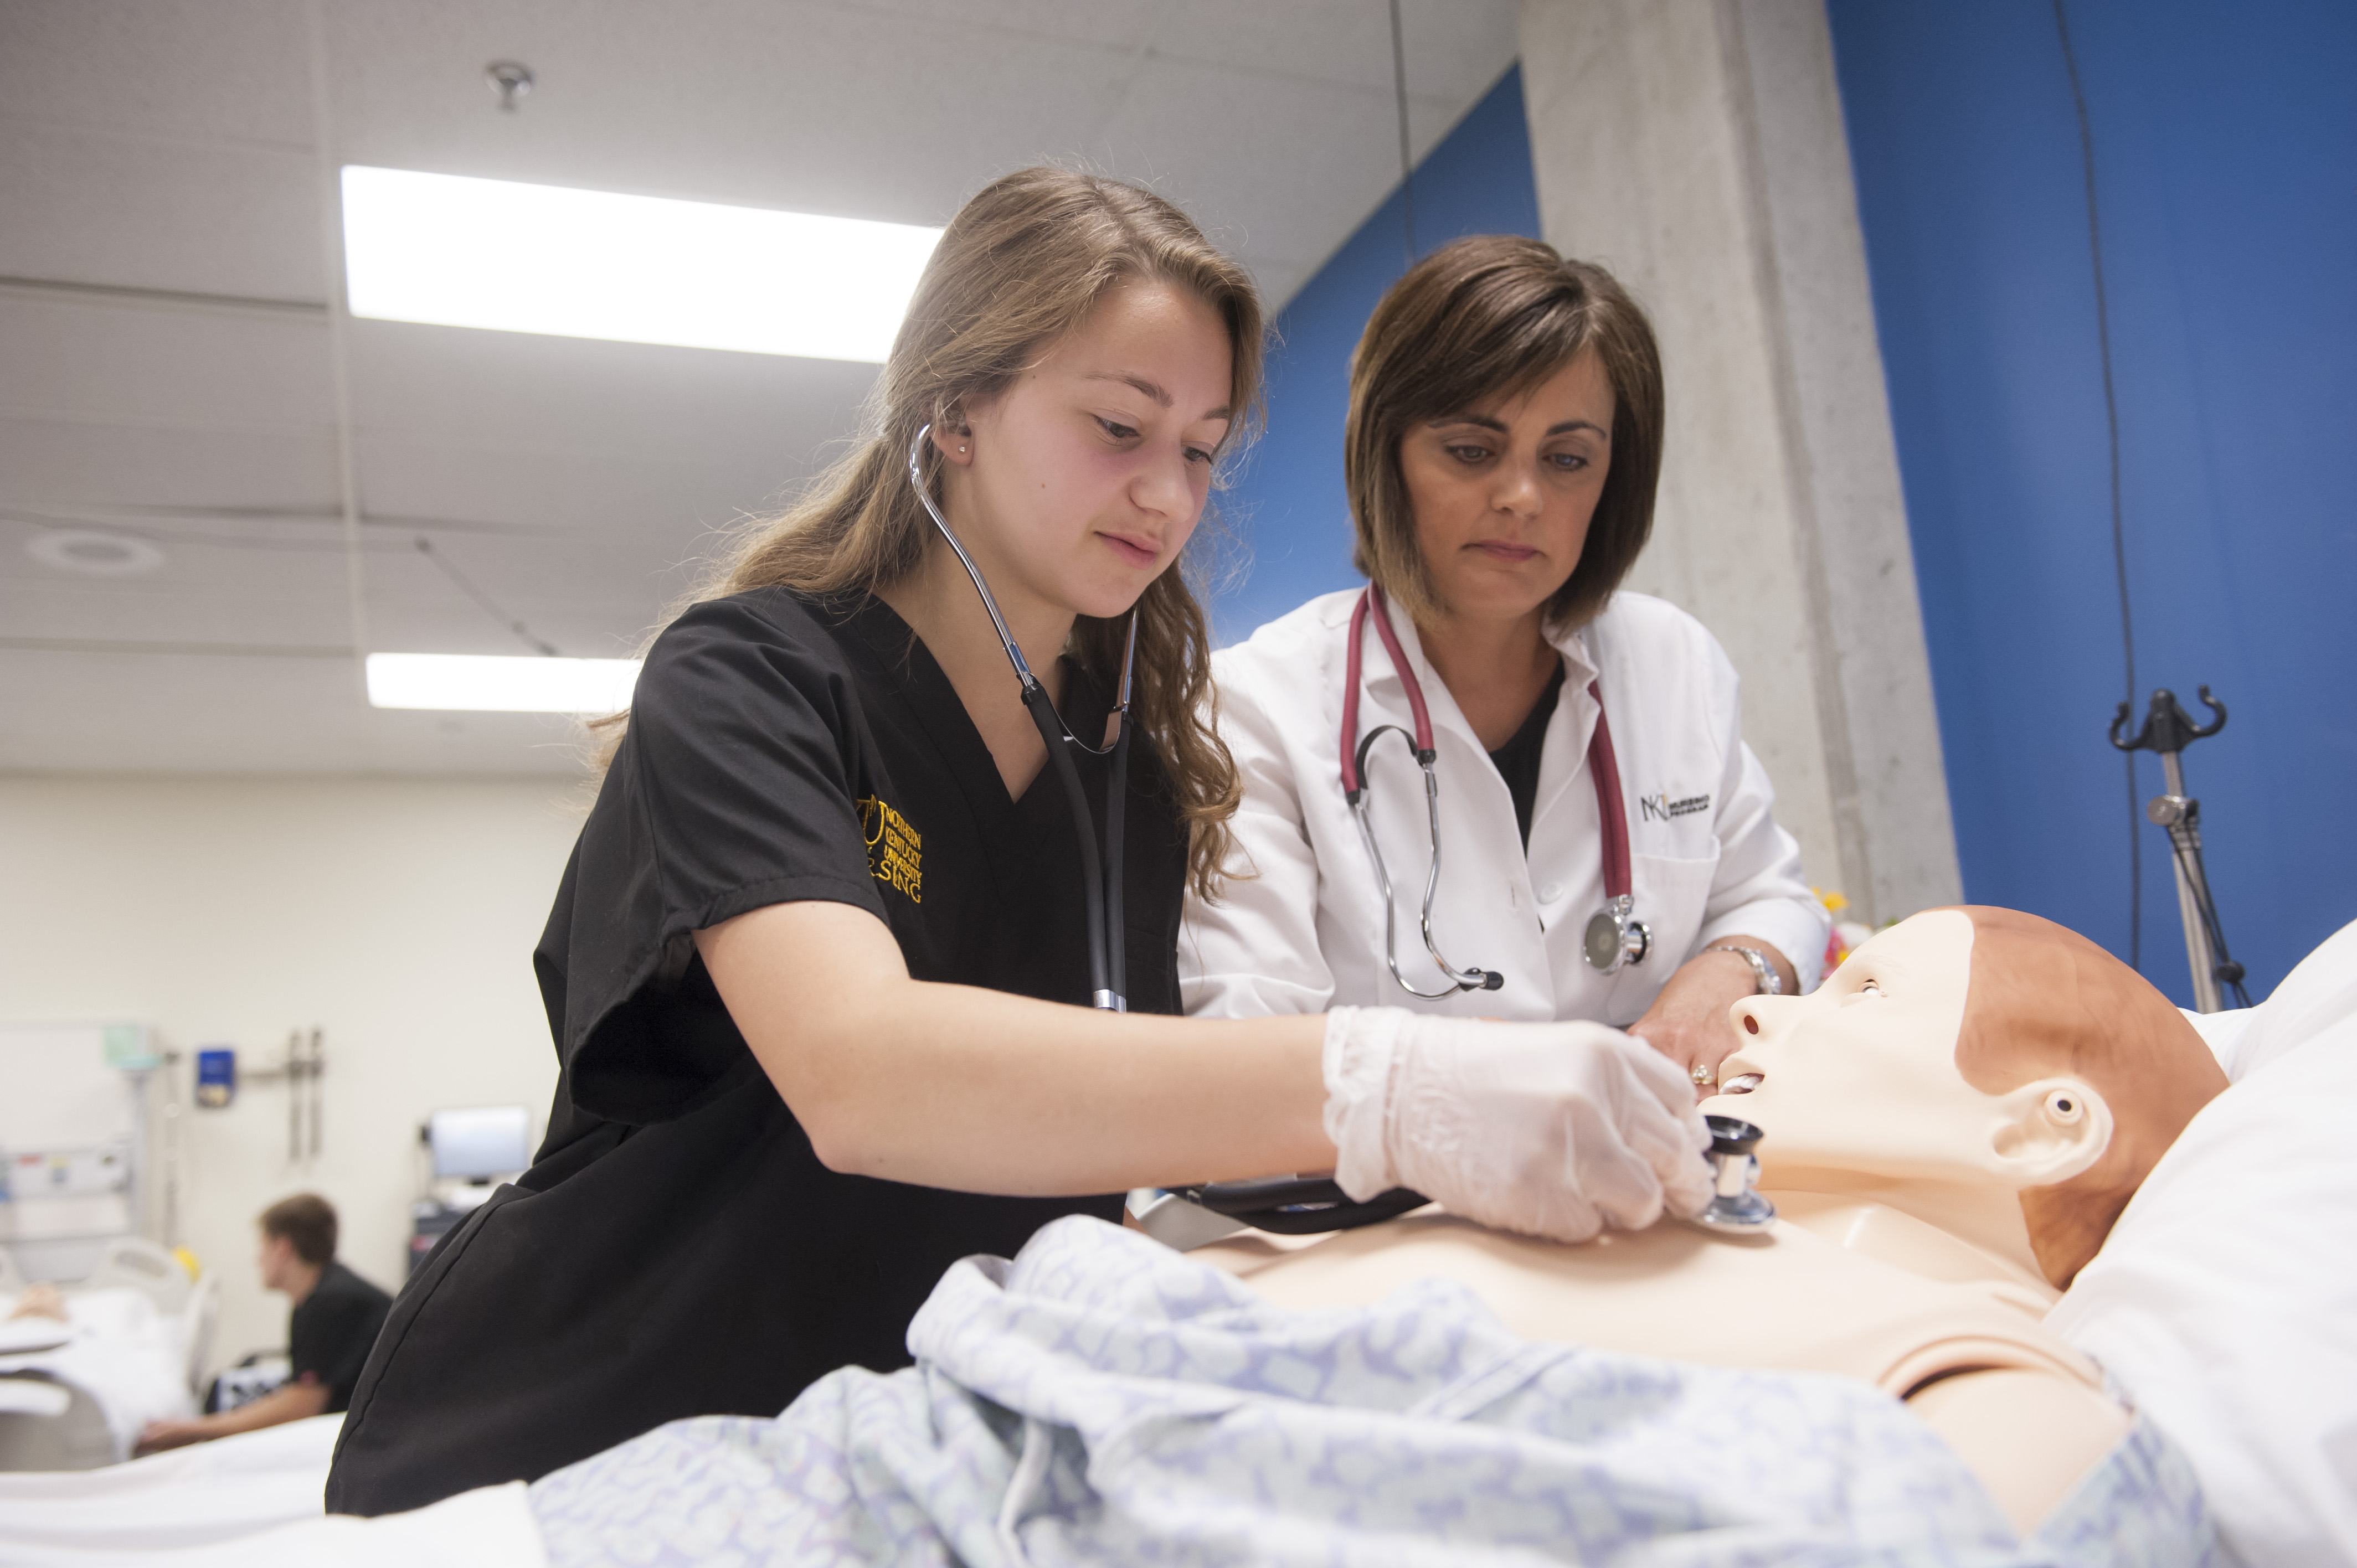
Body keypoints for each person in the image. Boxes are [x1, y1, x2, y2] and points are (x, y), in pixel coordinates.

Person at [325, 169, 1717, 1517]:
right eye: (1120, 428)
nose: (1168, 496)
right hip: (597, 1433)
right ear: (958, 410)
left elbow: (1136, 1112)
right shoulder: (751, 681)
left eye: (1200, 449)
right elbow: (861, 1075)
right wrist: (1388, 1076)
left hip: (890, 1441)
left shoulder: (1140, 776)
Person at [1193, 905, 2229, 1536]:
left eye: (1860, 989)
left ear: (2036, 1133)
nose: (1756, 1009)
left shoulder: (2000, 1401)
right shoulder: (1625, 1205)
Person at [1184, 236, 1829, 1094]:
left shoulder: (1671, 664)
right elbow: (1248, 1043)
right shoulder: (1254, 708)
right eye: (1471, 450)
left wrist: (1730, 971)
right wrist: (1511, 1080)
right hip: (1392, 1216)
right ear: (1387, 456)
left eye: (1567, 460)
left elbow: (1770, 896)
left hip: (1658, 1187)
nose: (1522, 497)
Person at [133, 1194, 390, 1455]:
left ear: (283, 1248)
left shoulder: (331, 1302)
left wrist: (198, 1431)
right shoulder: (325, 1293)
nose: (258, 1260)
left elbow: (301, 1406)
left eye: (262, 1246)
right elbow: (300, 1393)